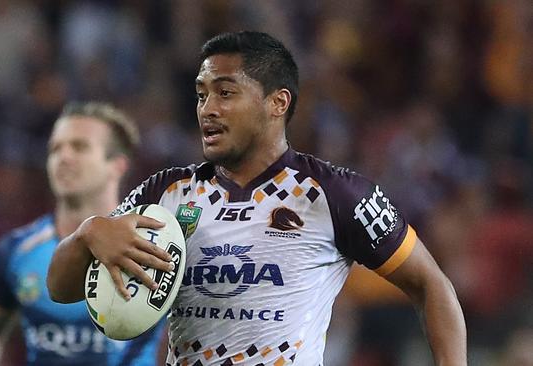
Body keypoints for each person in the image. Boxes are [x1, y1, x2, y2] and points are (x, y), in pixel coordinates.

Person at [47, 32, 467, 366]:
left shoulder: (335, 194)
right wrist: (89, 234)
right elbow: (60, 288)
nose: (207, 108)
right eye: (200, 94)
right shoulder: (165, 193)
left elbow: (431, 285)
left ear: (277, 103)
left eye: (225, 93)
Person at [0, 102, 167, 365]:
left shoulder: (156, 243)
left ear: (117, 165)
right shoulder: (17, 251)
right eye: (55, 148)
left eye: (79, 147)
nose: (63, 157)